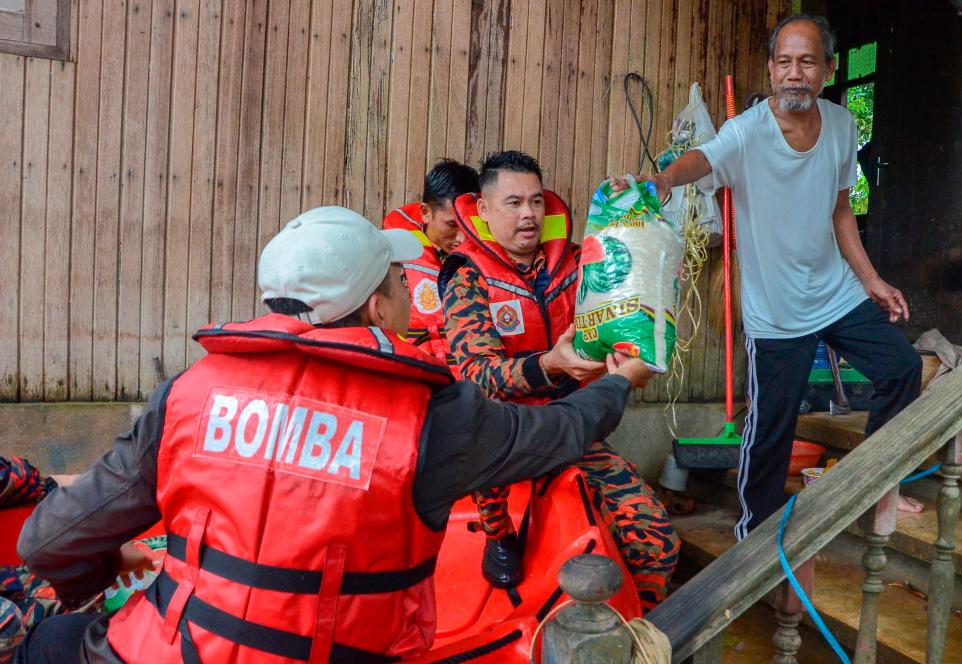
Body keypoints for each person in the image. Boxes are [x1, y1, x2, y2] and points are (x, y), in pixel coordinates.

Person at [14, 206, 653, 662]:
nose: (410, 288)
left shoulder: (189, 391)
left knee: (48, 644)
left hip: (164, 650)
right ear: (377, 308)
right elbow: (562, 429)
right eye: (400, 281)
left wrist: (106, 566)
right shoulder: (431, 414)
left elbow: (48, 542)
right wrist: (618, 382)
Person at [614, 13, 923, 539]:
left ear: (828, 67)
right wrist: (665, 179)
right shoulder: (746, 132)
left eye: (806, 62)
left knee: (902, 368)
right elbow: (701, 159)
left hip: (834, 291)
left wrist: (869, 278)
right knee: (771, 430)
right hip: (775, 311)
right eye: (783, 62)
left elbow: (841, 208)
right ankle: (753, 534)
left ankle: (873, 483)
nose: (793, 74)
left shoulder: (843, 125)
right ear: (771, 69)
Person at [439, 150, 680, 611]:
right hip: (499, 434)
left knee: (656, 542)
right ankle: (497, 531)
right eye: (513, 204)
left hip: (569, 426)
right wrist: (550, 364)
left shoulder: (579, 262)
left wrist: (632, 358)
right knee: (509, 561)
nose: (528, 215)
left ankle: (638, 632)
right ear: (484, 210)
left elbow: (625, 309)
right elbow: (478, 375)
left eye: (535, 202)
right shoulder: (466, 275)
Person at [382, 159, 479, 373]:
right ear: (426, 212)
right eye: (452, 225)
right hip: (411, 374)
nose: (462, 237)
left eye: (469, 225)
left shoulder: (487, 261)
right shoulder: (391, 260)